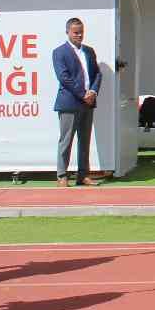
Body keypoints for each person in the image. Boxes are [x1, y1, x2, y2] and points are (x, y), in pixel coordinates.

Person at [52, 18, 101, 188]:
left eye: (81, 32)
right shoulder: (59, 52)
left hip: (88, 103)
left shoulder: (89, 51)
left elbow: (97, 74)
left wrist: (93, 92)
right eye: (75, 32)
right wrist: (83, 94)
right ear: (68, 32)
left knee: (84, 140)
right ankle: (62, 175)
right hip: (69, 102)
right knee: (66, 140)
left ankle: (83, 175)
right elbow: (64, 78)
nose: (79, 35)